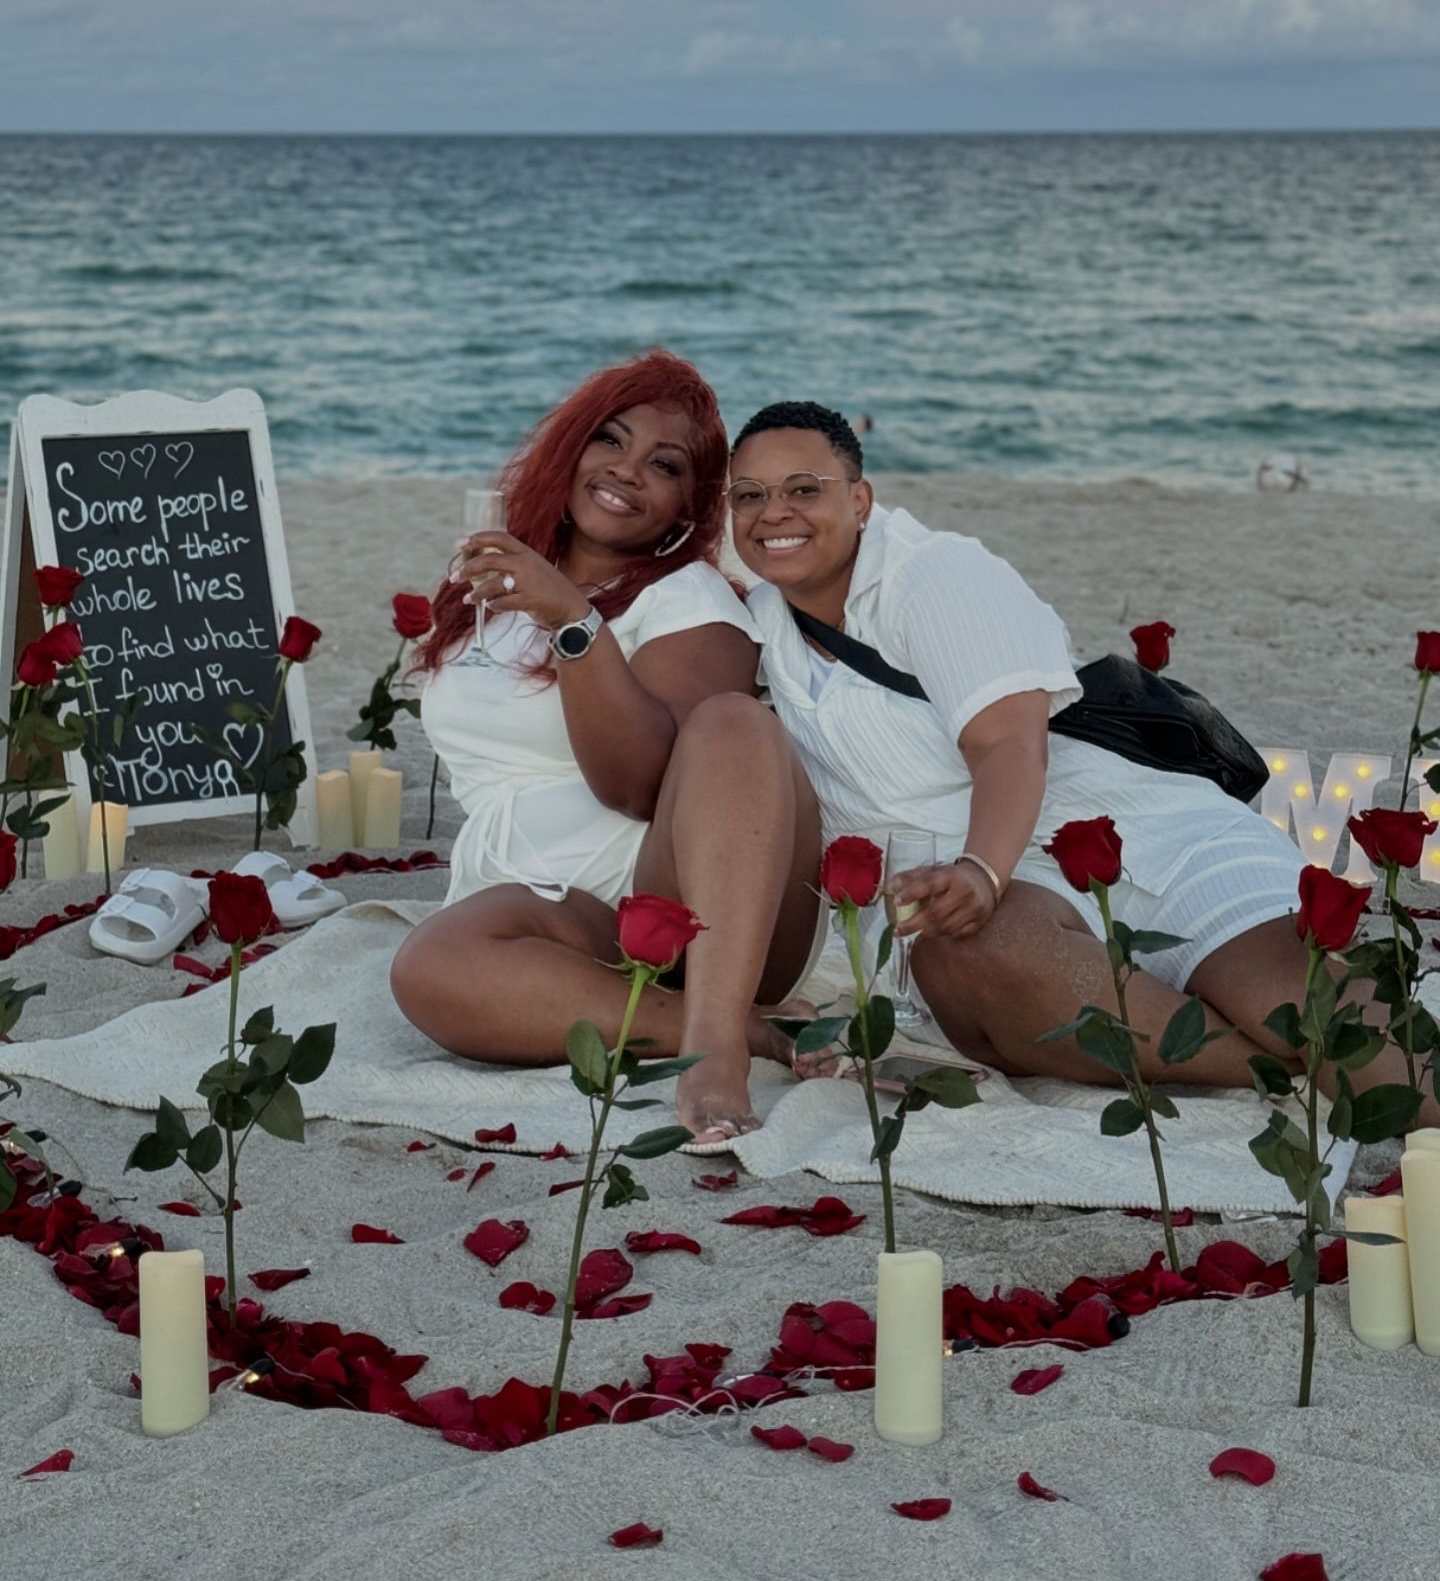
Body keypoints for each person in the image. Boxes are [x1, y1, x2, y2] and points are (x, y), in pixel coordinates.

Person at [727, 399, 1437, 1123]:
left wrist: (979, 868)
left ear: (860, 499)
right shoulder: (762, 626)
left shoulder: (934, 575)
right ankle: (1268, 1064)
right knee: (962, 958)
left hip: (1143, 834)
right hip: (1009, 897)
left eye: (802, 489)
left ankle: (1301, 1045)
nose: (772, 512)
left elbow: (1006, 742)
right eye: (748, 496)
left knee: (1304, 1005)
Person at [390, 353, 821, 1143]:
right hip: (550, 907)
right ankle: (745, 1032)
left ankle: (716, 1038)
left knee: (732, 721)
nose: (627, 471)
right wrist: (552, 600)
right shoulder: (510, 572)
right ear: (573, 445)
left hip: (684, 903)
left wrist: (576, 626)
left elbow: (641, 786)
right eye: (610, 441)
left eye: (664, 465)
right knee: (427, 968)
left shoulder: (684, 601)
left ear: (691, 503)